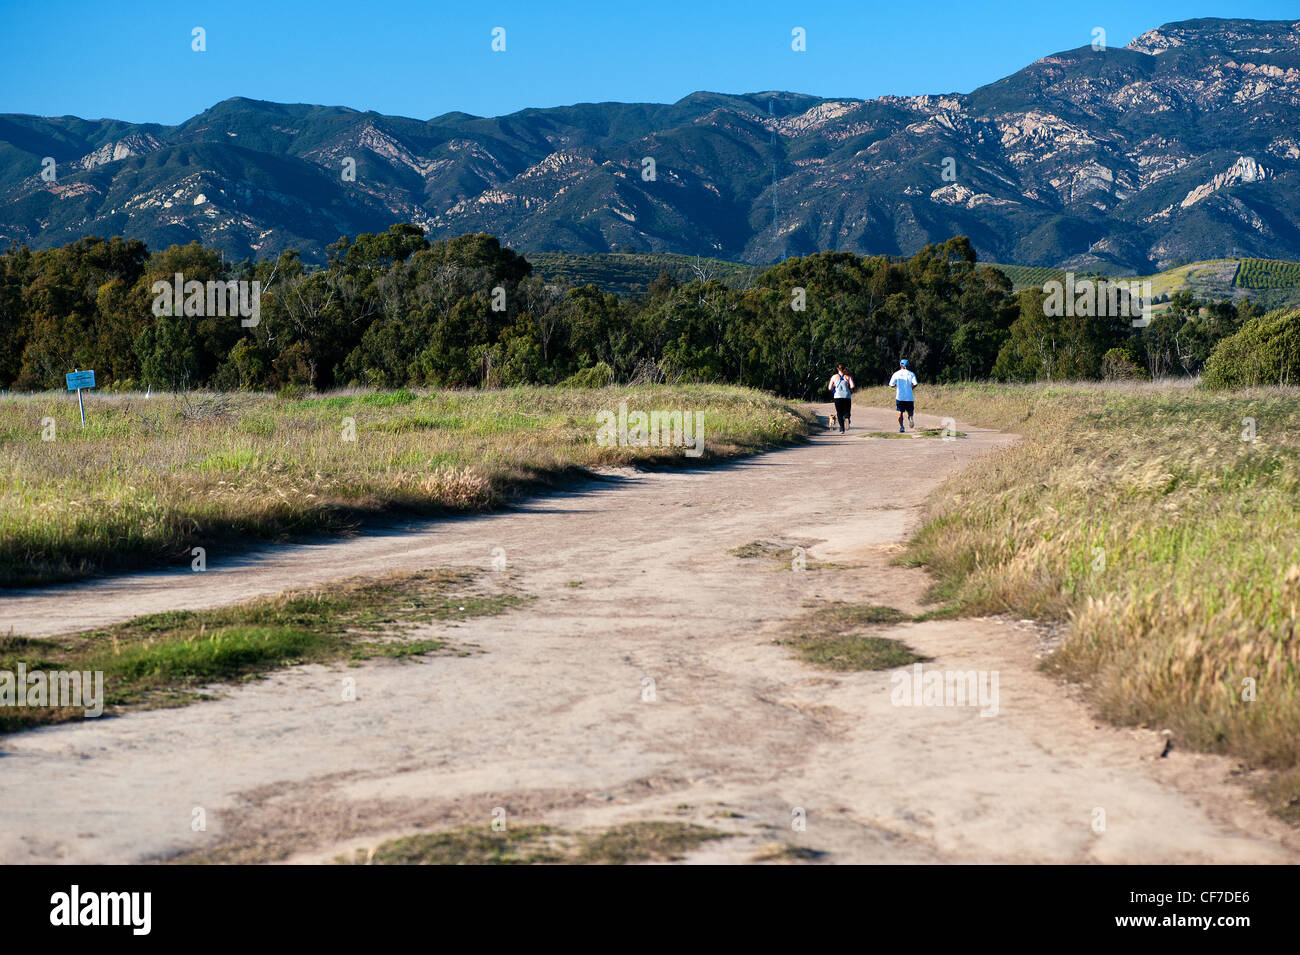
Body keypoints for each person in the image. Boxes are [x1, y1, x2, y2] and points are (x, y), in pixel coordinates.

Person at [889, 359, 918, 432]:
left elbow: (891, 385)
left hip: (900, 396)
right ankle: (910, 417)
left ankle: (902, 427)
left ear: (900, 365)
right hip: (909, 396)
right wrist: (911, 388)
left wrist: (897, 385)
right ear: (907, 365)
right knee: (910, 410)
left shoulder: (896, 374)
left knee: (900, 412)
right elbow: (915, 383)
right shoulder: (911, 374)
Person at [828, 363, 855, 433]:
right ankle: (847, 418)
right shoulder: (848, 377)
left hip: (837, 397)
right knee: (847, 411)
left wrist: (834, 387)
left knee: (839, 413)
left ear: (837, 369)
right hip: (847, 396)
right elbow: (852, 386)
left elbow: (829, 388)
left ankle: (842, 428)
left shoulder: (834, 377)